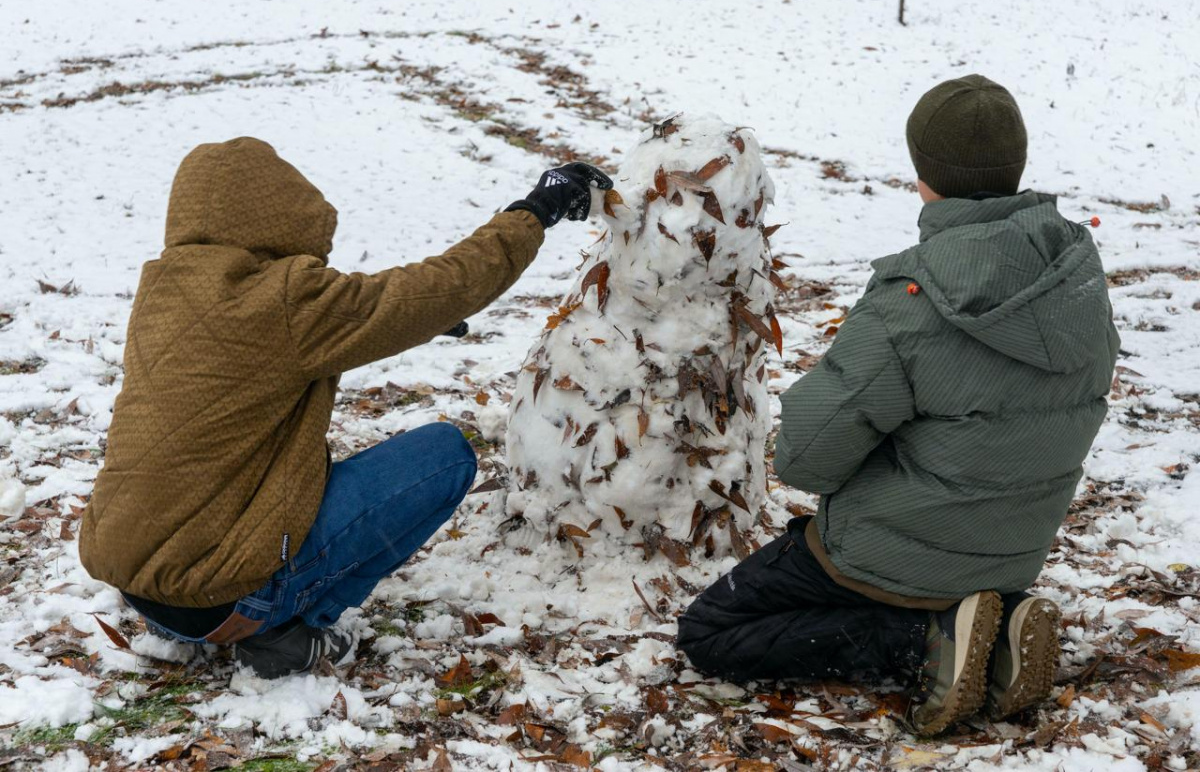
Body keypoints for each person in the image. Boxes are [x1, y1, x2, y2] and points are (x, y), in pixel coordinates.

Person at [677, 75, 1119, 735]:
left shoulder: (911, 300)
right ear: (1016, 164)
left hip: (891, 558)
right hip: (1012, 551)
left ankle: (928, 645)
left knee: (711, 630)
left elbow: (805, 458)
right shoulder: (1076, 278)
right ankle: (989, 630)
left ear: (922, 173)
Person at [78, 137, 611, 678]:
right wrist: (535, 211)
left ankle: (210, 618)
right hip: (227, 596)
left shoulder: (167, 288)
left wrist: (402, 322)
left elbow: (266, 352)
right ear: (273, 211)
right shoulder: (284, 299)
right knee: (446, 455)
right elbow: (447, 285)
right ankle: (293, 626)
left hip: (143, 587)